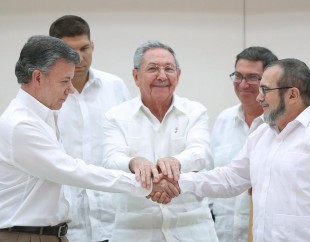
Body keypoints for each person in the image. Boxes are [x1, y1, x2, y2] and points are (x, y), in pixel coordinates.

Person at [0, 35, 178, 242]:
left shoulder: (43, 116)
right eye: (65, 81)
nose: (70, 89)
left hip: (46, 234)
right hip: (24, 236)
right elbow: (74, 171)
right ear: (38, 78)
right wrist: (146, 184)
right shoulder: (21, 124)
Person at [169, 58, 310, 241]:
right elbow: (229, 179)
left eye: (265, 90)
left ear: (292, 95)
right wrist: (176, 181)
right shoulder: (260, 135)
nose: (259, 97)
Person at [102, 40, 218, 242]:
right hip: (134, 230)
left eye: (169, 69)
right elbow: (111, 159)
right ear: (136, 76)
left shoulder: (195, 112)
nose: (162, 76)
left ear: (178, 75)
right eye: (153, 69)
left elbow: (202, 153)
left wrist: (176, 163)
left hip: (193, 229)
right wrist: (134, 163)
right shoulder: (116, 116)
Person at [49, 15, 131, 242]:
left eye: (85, 48)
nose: (78, 57)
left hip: (114, 221)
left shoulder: (115, 87)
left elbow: (129, 143)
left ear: (92, 45)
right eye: (68, 50)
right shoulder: (45, 94)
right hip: (66, 224)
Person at [211, 47, 277, 242]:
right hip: (223, 234)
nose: (243, 84)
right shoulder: (224, 119)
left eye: (252, 78)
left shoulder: (281, 124)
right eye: (238, 76)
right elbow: (213, 175)